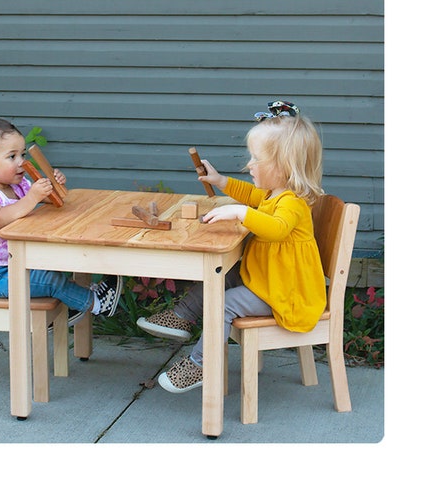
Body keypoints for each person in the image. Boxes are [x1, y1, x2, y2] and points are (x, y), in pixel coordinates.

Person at [137, 101, 327, 393]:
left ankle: (201, 365)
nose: (249, 164)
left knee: (222, 303)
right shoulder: (275, 193)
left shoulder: (293, 203)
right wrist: (221, 181)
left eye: (256, 159)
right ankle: (182, 315)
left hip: (284, 293)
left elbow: (277, 230)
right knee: (222, 276)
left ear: (283, 165)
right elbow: (251, 194)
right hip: (269, 279)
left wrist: (239, 213)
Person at [0, 116, 122, 326]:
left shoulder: (18, 185)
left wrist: (53, 185)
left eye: (23, 154)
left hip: (18, 263)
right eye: (12, 156)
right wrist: (32, 198)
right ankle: (97, 303)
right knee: (50, 280)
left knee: (54, 265)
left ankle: (72, 307)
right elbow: (0, 219)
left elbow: (50, 198)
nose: (22, 162)